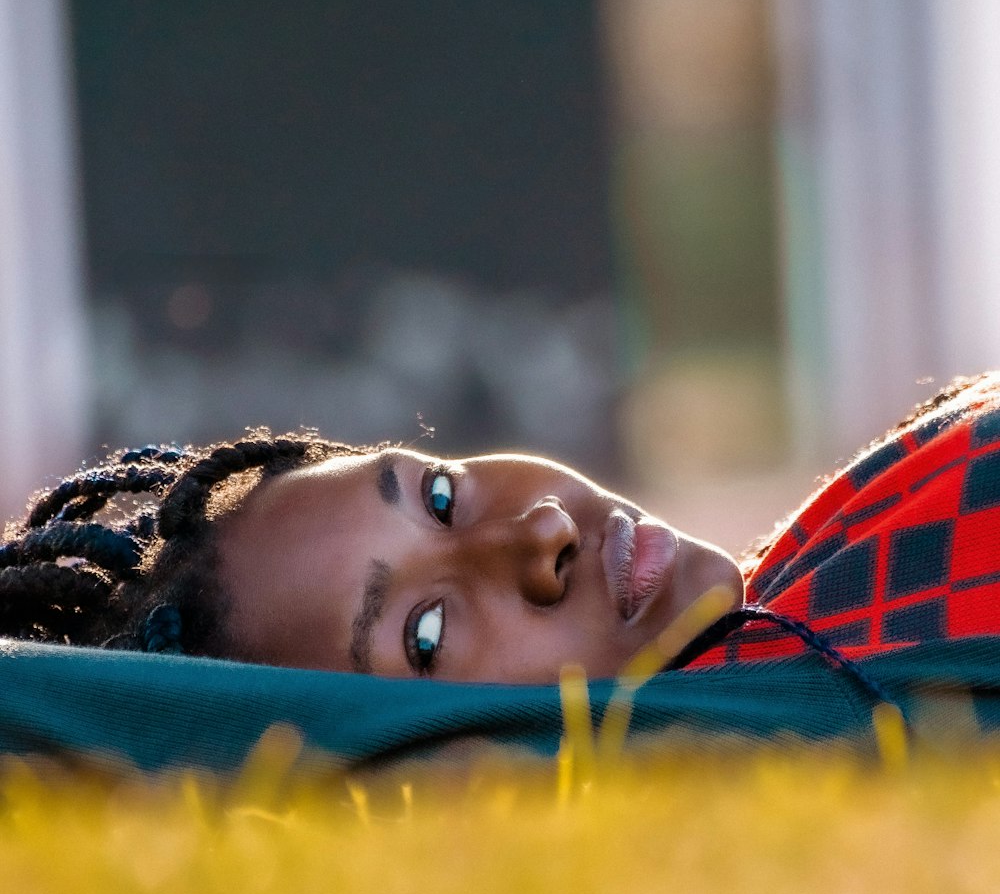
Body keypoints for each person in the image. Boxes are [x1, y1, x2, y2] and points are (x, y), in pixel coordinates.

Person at [1, 372, 997, 684]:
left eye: (439, 496)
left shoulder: (820, 577)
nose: (541, 535)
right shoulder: (863, 683)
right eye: (426, 634)